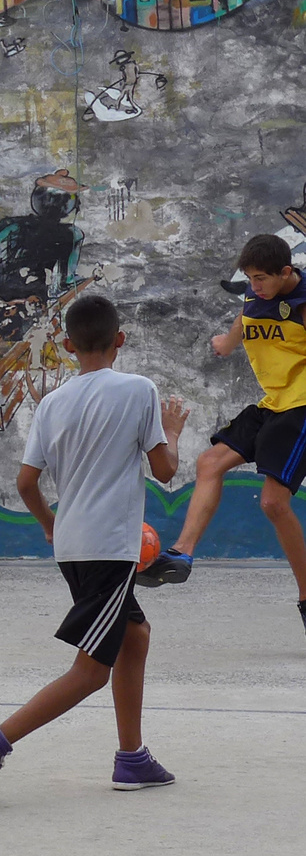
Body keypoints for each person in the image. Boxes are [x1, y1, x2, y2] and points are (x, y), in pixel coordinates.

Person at [0, 296, 188, 804]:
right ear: (120, 340)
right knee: (91, 670)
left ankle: (132, 759)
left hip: (74, 545)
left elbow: (26, 483)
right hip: (110, 546)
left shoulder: (52, 403)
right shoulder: (139, 390)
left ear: (67, 346)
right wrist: (172, 432)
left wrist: (49, 525)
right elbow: (166, 470)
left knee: (135, 635)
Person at [143, 236, 306, 614]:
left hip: (301, 406)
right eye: (250, 278)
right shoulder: (256, 296)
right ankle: (181, 555)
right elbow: (246, 315)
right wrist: (227, 342)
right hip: (272, 404)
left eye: (262, 278)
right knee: (209, 463)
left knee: (273, 503)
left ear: (286, 273)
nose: (255, 286)